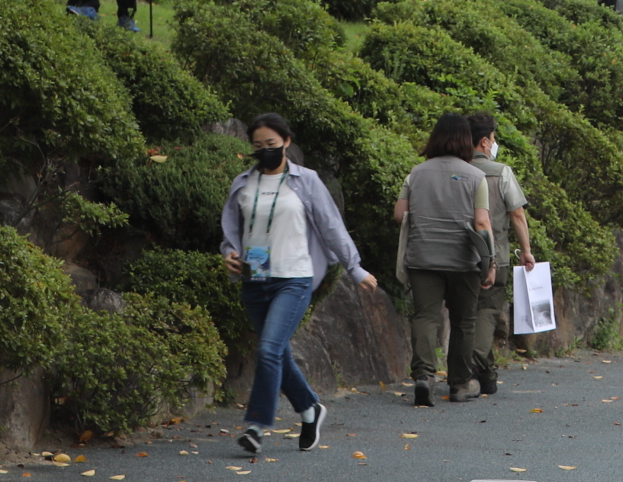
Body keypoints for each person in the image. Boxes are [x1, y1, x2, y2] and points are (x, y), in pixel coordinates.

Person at [219, 113, 376, 456]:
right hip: (255, 275)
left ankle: (256, 426)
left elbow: (331, 225)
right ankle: (309, 409)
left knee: (268, 349)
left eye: (271, 145)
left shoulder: (306, 181)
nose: (265, 151)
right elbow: (231, 229)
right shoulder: (243, 182)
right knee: (277, 352)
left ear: (287, 142)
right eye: (258, 146)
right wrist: (230, 252)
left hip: (295, 276)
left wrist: (355, 268)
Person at [394, 112, 494, 407]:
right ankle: (460, 383)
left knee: (425, 316)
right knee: (464, 321)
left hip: (423, 256)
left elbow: (399, 214)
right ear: (467, 140)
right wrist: (490, 263)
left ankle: (424, 376)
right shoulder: (476, 177)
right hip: (463, 260)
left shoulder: (416, 173)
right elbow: (482, 224)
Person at [464, 111, 538, 393]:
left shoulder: (455, 169)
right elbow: (517, 214)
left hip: (457, 255)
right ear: (485, 141)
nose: (494, 143)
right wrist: (527, 250)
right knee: (487, 311)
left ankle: (487, 376)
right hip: (496, 254)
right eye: (493, 138)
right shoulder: (500, 171)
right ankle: (473, 366)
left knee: (466, 314)